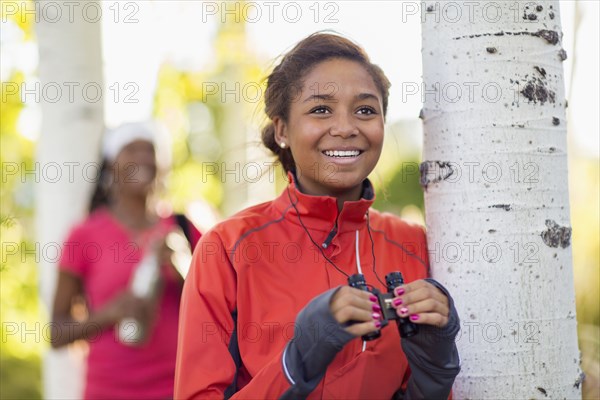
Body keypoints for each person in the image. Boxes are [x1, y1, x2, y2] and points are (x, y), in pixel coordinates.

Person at [175, 33, 460, 399]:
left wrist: (435, 373)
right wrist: (295, 364)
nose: (345, 127)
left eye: (365, 110)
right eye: (321, 109)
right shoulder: (228, 248)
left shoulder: (414, 242)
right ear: (282, 130)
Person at [51, 122, 201, 399]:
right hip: (109, 389)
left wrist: (182, 267)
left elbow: (222, 308)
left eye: (150, 150)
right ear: (110, 165)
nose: (143, 158)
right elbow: (56, 333)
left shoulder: (183, 229)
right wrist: (108, 314)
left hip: (180, 387)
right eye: (131, 150)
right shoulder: (84, 235)